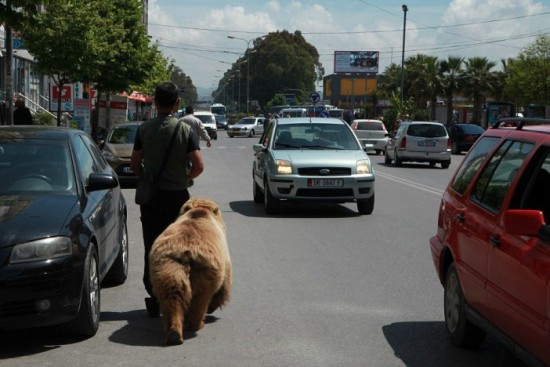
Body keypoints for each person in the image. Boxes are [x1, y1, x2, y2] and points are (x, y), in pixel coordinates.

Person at [130, 82, 205, 317]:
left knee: (153, 246)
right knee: (180, 247)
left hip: (151, 199)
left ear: (154, 101)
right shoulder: (185, 130)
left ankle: (155, 294)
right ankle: (181, 292)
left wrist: (147, 177)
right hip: (177, 200)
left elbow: (134, 164)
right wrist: (184, 179)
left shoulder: (143, 129)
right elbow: (198, 166)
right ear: (176, 104)